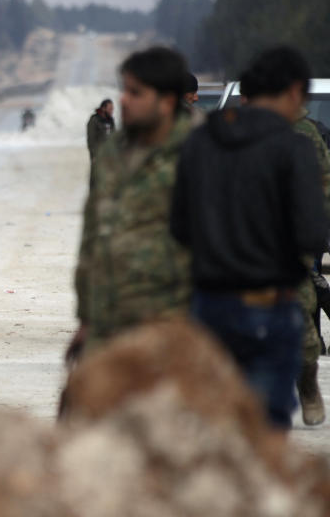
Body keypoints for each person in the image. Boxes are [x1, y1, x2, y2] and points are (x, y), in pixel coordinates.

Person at [171, 45, 328, 430]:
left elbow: (178, 226)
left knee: (209, 421)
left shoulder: (200, 140)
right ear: (293, 92)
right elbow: (312, 232)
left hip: (206, 305)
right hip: (268, 304)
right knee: (265, 427)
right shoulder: (295, 147)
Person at [70, 47, 193, 359]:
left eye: (136, 93)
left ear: (166, 101)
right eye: (124, 90)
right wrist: (85, 318)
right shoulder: (113, 152)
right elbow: (91, 238)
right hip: (109, 325)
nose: (123, 100)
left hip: (173, 327)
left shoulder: (200, 151)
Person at [292, 108, 330, 425]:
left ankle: (307, 382)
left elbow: (324, 184)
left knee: (306, 298)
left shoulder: (309, 133)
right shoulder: (243, 133)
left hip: (296, 240)